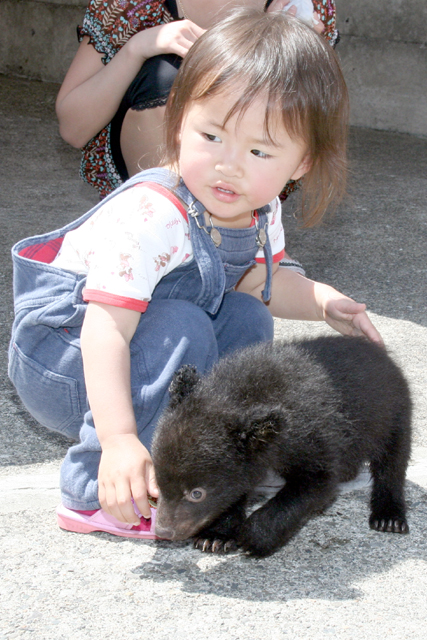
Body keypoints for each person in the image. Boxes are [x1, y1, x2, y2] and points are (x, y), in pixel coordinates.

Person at [9, 9, 381, 541]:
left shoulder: (259, 209)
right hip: (66, 356)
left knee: (245, 315)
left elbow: (257, 282)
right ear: (178, 120)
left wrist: (324, 302)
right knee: (183, 323)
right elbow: (105, 328)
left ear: (300, 164)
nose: (229, 165)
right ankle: (95, 488)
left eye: (259, 150)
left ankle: (218, 461)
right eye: (211, 136)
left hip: (141, 349)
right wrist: (117, 440)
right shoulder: (154, 214)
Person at [56, 0, 339, 200]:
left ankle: (244, 240)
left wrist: (291, 42)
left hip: (250, 180)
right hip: (147, 164)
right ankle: (174, 225)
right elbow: (73, 128)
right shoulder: (132, 4)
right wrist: (138, 47)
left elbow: (310, 118)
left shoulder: (305, 5)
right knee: (166, 75)